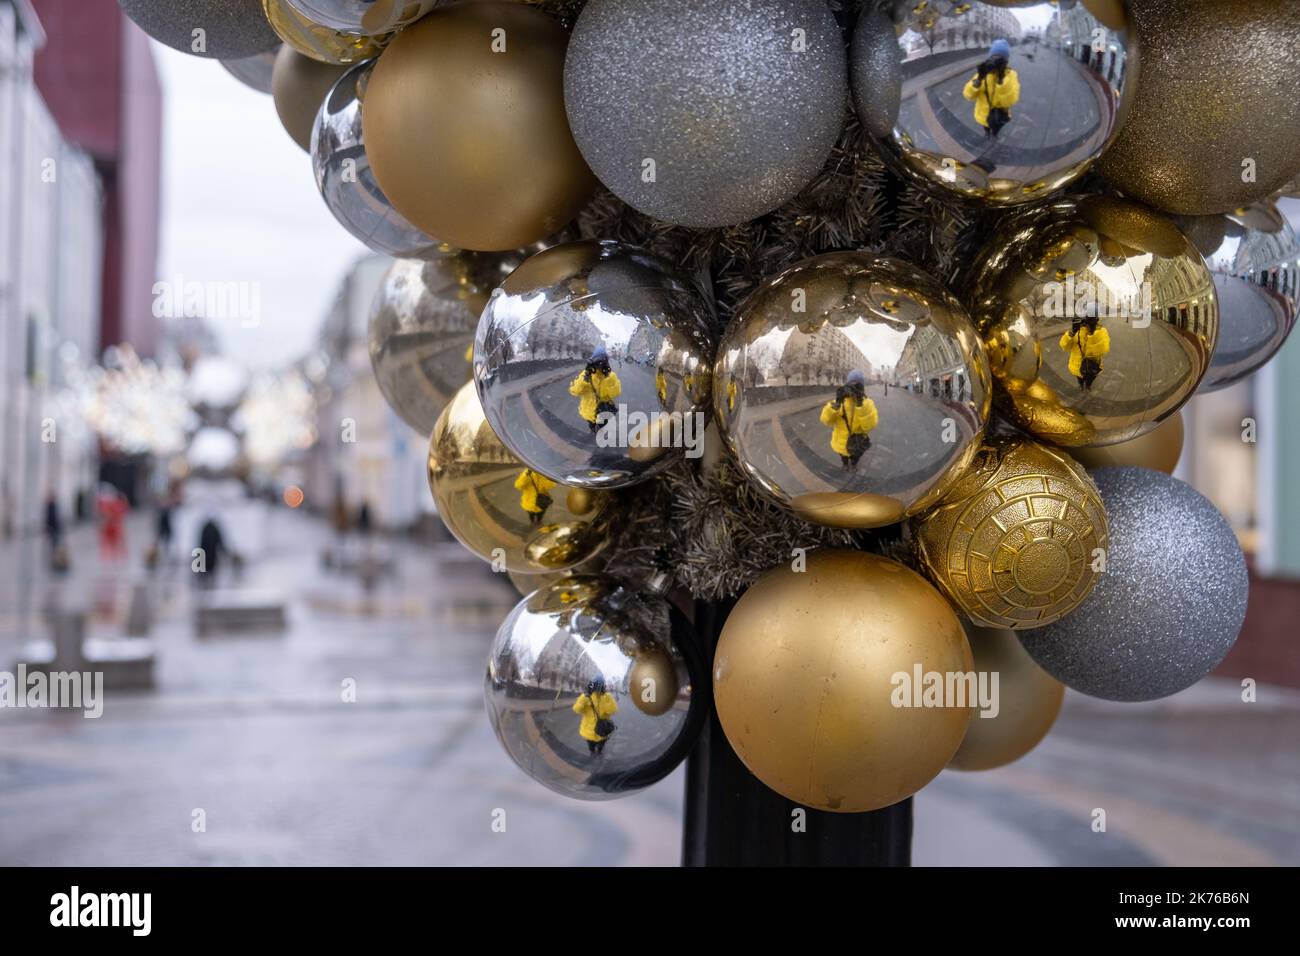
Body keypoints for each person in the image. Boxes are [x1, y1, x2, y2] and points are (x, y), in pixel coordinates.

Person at [820, 370, 879, 469]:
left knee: (856, 457)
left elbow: (870, 426)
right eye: (851, 385)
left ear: (862, 388)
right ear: (846, 386)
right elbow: (825, 420)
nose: (853, 389)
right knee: (843, 456)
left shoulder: (867, 403)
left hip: (857, 443)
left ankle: (854, 464)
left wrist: (861, 404)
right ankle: (845, 464)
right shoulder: (839, 402)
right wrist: (836, 404)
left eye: (857, 386)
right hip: (841, 443)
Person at [963, 39, 1020, 141]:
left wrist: (1001, 79)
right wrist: (979, 79)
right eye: (994, 58)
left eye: (1000, 59)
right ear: (989, 58)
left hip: (1000, 115)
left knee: (996, 128)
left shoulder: (1011, 75)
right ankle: (987, 133)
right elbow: (968, 95)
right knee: (986, 127)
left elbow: (1011, 99)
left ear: (1006, 60)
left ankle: (994, 134)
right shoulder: (984, 73)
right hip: (983, 115)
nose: (996, 61)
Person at [568, 345, 621, 433]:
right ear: (592, 362)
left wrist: (608, 379)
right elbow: (574, 391)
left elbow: (616, 393)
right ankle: (593, 428)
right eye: (598, 362)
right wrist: (585, 378)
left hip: (604, 410)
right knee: (592, 425)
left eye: (603, 362)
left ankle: (599, 430)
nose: (600, 365)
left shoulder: (611, 376)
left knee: (602, 426)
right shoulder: (586, 374)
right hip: (589, 410)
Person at [1059, 315, 1110, 390]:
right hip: (1077, 366)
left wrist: (1093, 332)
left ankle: (1088, 386)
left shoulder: (1101, 331)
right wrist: (1072, 333)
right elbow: (1064, 347)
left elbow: (1103, 350)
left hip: (1093, 365)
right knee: (1080, 378)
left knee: (1090, 378)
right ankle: (1081, 385)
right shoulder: (1076, 331)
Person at [573, 676, 618, 756]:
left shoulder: (607, 696)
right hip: (589, 731)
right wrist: (584, 698)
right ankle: (593, 752)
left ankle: (599, 751)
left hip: (603, 730)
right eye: (596, 684)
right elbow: (576, 709)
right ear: (592, 685)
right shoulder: (586, 696)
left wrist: (605, 697)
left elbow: (613, 710)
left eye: (600, 685)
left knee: (601, 746)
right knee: (591, 747)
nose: (598, 687)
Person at [196, 515, 229, 589]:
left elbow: (200, 542)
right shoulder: (215, 528)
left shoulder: (204, 528)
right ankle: (210, 584)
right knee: (211, 570)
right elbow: (220, 542)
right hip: (212, 553)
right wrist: (224, 552)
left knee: (206, 570)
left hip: (205, 553)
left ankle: (206, 584)